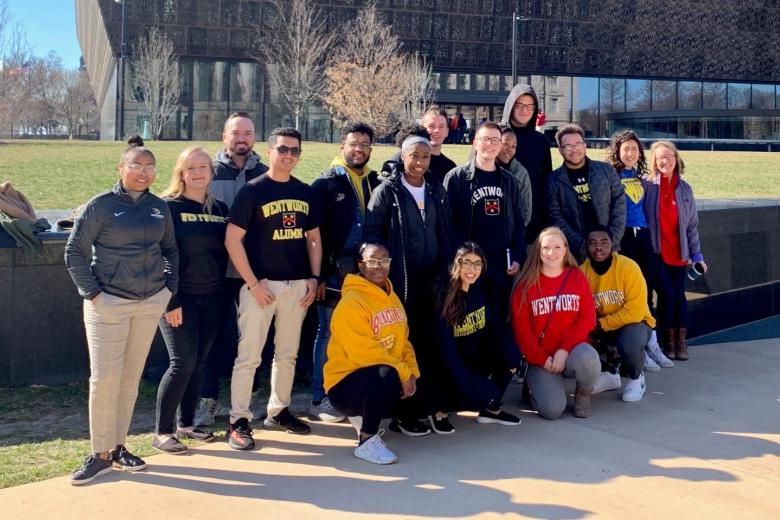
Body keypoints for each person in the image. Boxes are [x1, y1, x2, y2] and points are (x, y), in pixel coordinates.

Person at [64, 136, 178, 485]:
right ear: (121, 168)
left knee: (129, 380)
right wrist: (95, 294)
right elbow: (74, 253)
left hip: (148, 303)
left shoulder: (159, 207)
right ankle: (98, 454)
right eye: (136, 166)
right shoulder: (100, 206)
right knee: (104, 380)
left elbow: (171, 250)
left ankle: (117, 447)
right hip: (108, 305)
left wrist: (167, 290)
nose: (143, 172)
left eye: (149, 167)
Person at [225, 127, 322, 450]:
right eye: (282, 149)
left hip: (296, 286)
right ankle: (238, 420)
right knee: (248, 356)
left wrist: (313, 277)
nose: (288, 155)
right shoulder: (252, 191)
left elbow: (313, 239)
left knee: (288, 355)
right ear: (269, 152)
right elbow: (232, 240)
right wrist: (252, 283)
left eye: (294, 151)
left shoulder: (305, 192)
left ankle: (278, 410)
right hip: (261, 287)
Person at [365, 134, 451, 436]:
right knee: (402, 346)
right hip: (400, 282)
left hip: (431, 284)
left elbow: (445, 234)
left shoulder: (436, 190)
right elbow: (372, 233)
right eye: (414, 156)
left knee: (426, 346)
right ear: (402, 157)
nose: (419, 162)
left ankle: (422, 407)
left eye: (425, 157)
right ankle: (400, 413)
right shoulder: (387, 191)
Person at [153, 146, 230, 454]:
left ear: (212, 172)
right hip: (178, 298)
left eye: (203, 167)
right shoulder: (166, 207)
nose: (198, 173)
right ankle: (162, 431)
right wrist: (170, 301)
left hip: (213, 297)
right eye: (191, 168)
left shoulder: (220, 209)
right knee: (181, 363)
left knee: (199, 363)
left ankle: (186, 423)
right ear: (181, 173)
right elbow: (156, 256)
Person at [195, 111, 269, 427]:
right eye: (235, 133)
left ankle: (248, 396)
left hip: (254, 272)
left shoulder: (266, 173)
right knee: (210, 337)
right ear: (224, 136)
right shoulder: (207, 172)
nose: (241, 139)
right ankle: (207, 400)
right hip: (214, 271)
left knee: (253, 338)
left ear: (255, 137)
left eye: (248, 134)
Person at [309, 121, 380, 423]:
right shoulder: (326, 184)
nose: (358, 149)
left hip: (363, 274)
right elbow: (313, 235)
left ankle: (348, 392)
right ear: (342, 147)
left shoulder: (374, 182)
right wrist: (321, 275)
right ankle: (319, 396)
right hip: (334, 272)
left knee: (361, 333)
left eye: (364, 144)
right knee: (327, 332)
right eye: (353, 143)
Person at [324, 243, 421, 465]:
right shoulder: (351, 303)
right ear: (361, 265)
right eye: (372, 261)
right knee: (385, 374)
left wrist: (412, 372)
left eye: (384, 260)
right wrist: (403, 373)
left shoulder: (391, 296)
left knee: (422, 391)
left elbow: (403, 341)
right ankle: (366, 440)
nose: (379, 266)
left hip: (378, 376)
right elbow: (365, 353)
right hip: (345, 386)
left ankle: (367, 415)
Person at [510, 227, 599, 420]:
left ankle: (583, 393)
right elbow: (521, 330)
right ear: (538, 251)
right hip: (541, 358)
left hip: (571, 352)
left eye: (557, 247)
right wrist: (542, 359)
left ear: (565, 249)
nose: (552, 253)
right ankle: (533, 385)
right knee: (552, 411)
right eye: (546, 248)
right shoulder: (526, 285)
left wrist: (564, 349)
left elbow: (588, 318)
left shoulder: (576, 277)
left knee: (590, 359)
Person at [444, 121, 527, 320]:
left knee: (497, 318)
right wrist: (457, 258)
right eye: (485, 139)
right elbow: (447, 224)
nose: (490, 145)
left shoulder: (510, 182)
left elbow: (518, 223)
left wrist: (518, 256)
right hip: (469, 263)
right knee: (468, 317)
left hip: (499, 263)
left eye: (495, 140)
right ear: (475, 143)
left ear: (500, 145)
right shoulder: (456, 178)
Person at [435, 242, 522, 430]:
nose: (472, 269)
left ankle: (491, 409)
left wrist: (512, 355)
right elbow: (447, 353)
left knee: (509, 352)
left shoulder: (480, 291)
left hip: (472, 359)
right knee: (468, 390)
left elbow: (493, 327)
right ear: (457, 263)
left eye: (477, 264)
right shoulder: (445, 297)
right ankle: (439, 411)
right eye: (466, 263)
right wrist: (471, 383)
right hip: (448, 368)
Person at [606, 130, 674, 371]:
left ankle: (651, 343)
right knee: (629, 292)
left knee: (646, 291)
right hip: (623, 238)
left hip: (643, 236)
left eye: (634, 149)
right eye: (626, 149)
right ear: (617, 151)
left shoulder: (642, 177)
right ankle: (635, 349)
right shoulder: (610, 175)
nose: (630, 153)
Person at [644, 141, 707, 361]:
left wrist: (697, 255)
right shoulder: (648, 186)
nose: (665, 161)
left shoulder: (685, 188)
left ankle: (681, 342)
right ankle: (667, 342)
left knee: (679, 297)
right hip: (657, 253)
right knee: (667, 296)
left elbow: (691, 226)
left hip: (680, 254)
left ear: (676, 159)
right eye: (660, 157)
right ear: (654, 161)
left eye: (669, 156)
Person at [580, 226, 656, 402]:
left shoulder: (628, 267)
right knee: (578, 336)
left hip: (635, 324)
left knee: (629, 342)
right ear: (586, 246)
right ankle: (610, 373)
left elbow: (635, 311)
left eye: (604, 242)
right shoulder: (581, 272)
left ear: (613, 245)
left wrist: (602, 325)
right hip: (602, 325)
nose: (599, 247)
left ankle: (637, 377)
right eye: (593, 243)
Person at [546, 124, 626, 262]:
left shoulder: (606, 171)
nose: (574, 149)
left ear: (584, 145)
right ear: (560, 150)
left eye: (578, 144)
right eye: (568, 146)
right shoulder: (553, 180)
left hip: (610, 250)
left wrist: (608, 242)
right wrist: (583, 246)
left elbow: (619, 206)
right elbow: (556, 217)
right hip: (574, 254)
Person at [500, 84, 553, 245]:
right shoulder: (495, 133)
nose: (525, 110)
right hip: (499, 213)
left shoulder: (540, 141)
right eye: (520, 105)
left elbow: (546, 180)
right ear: (511, 105)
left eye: (530, 106)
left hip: (533, 219)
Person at [382, 106, 457, 185]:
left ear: (447, 131)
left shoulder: (450, 168)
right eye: (431, 126)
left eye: (441, 126)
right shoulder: (402, 160)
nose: (437, 130)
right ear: (422, 128)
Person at [497, 125, 532, 228]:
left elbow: (525, 212)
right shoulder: (479, 169)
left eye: (514, 146)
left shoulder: (521, 173)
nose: (510, 149)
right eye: (506, 143)